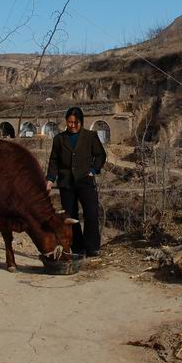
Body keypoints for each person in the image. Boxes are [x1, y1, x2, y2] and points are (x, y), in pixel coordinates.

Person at [46, 106, 106, 256]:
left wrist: (93, 170)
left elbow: (100, 155)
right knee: (71, 217)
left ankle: (92, 247)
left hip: (85, 180)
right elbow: (54, 160)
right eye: (69, 122)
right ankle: (78, 248)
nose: (72, 126)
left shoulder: (90, 136)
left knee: (91, 213)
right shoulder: (59, 139)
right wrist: (50, 179)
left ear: (81, 122)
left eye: (75, 122)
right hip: (66, 183)